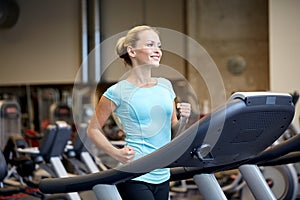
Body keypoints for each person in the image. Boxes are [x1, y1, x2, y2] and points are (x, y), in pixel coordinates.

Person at [87, 25, 191, 200]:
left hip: (162, 174)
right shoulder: (117, 92)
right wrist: (115, 153)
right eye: (150, 44)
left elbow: (174, 130)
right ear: (132, 51)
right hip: (134, 174)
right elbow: (92, 129)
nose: (157, 50)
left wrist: (184, 119)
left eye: (159, 45)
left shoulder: (165, 85)